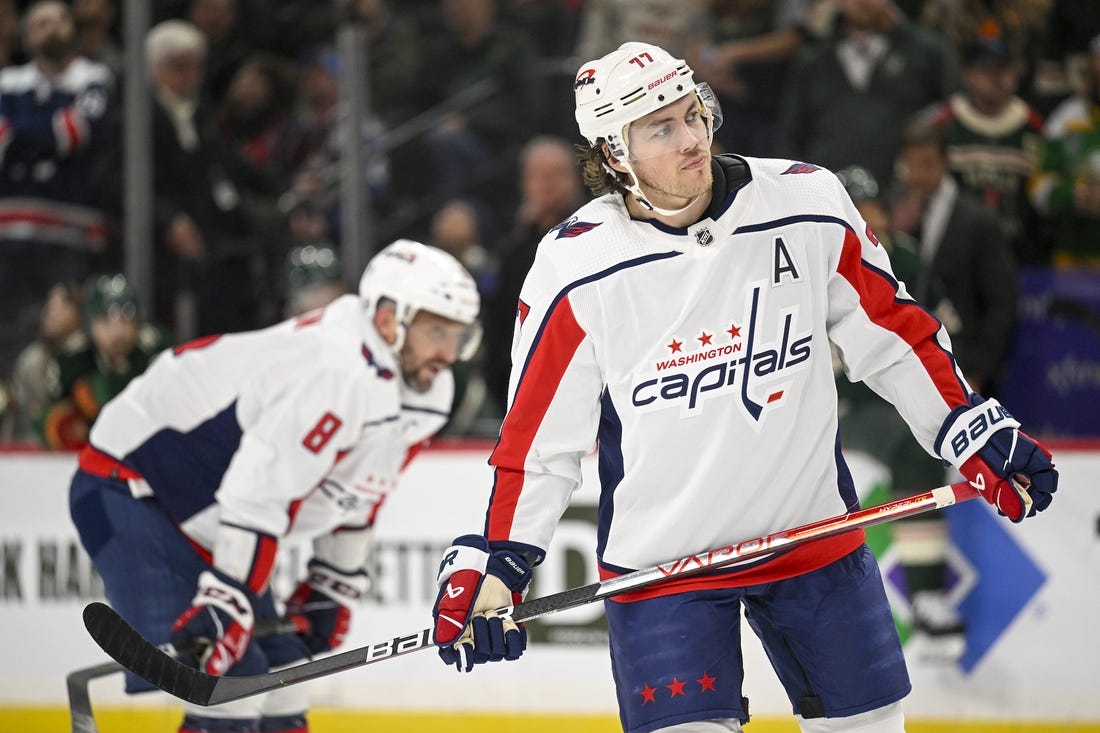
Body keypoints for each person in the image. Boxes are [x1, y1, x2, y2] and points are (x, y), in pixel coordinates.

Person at [428, 42, 1058, 733]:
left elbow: (894, 332)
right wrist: (499, 564)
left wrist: (972, 429)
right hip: (664, 567)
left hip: (815, 536)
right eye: (661, 129)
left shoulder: (805, 199)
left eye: (692, 114)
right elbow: (540, 441)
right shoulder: (574, 265)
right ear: (614, 155)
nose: (693, 139)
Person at [70, 240, 481, 733]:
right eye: (437, 330)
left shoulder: (423, 386)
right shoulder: (336, 368)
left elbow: (362, 492)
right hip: (130, 488)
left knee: (286, 670)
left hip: (206, 513)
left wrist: (332, 583)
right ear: (391, 318)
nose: (449, 352)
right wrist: (229, 598)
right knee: (232, 685)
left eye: (458, 334)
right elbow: (258, 492)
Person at [833, 165, 966, 661]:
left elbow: (940, 332)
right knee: (912, 440)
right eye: (856, 216)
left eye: (874, 216)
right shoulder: (804, 261)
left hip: (896, 395)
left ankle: (928, 595)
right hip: (832, 403)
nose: (871, 227)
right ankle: (926, 595)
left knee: (921, 435)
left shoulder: (904, 256)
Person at [0, 0, 114, 379]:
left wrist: (21, 136)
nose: (53, 28)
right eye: (42, 22)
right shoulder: (8, 82)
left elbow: (77, 133)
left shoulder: (94, 78)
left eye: (61, 19)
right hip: (10, 230)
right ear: (27, 35)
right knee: (9, 332)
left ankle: (65, 416)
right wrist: (49, 133)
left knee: (67, 331)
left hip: (72, 231)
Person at [890, 120, 1019, 397]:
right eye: (910, 164)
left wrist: (978, 372)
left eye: (927, 164)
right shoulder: (892, 213)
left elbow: (1001, 304)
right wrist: (893, 232)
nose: (917, 174)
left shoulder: (978, 220)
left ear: (945, 162)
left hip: (960, 365)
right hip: (903, 368)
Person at [36, 274, 173, 450]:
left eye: (125, 320)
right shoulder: (72, 360)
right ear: (90, 324)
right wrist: (73, 424)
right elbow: (44, 420)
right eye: (106, 322)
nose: (117, 332)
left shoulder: (157, 350)